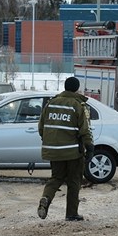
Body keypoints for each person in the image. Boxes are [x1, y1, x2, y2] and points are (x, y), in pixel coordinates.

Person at [37, 76, 94, 221]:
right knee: (74, 181)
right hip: (73, 152)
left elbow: (41, 127)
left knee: (56, 178)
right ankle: (71, 214)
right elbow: (85, 130)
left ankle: (45, 199)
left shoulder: (51, 104)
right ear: (77, 88)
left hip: (53, 150)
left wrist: (51, 142)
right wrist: (90, 147)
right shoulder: (78, 105)